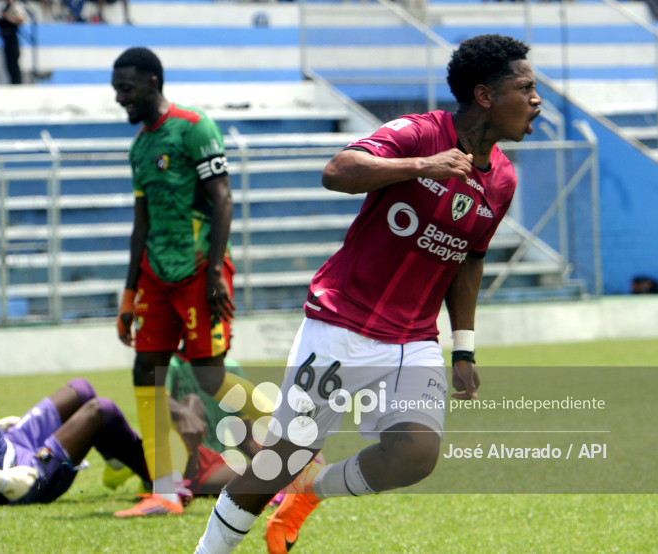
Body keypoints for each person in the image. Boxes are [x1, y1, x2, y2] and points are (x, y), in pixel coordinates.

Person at [194, 33, 542, 553]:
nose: (537, 100)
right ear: (486, 96)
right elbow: (337, 171)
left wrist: (464, 347)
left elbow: (468, 259)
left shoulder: (503, 181)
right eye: (526, 88)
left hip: (413, 339)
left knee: (415, 454)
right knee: (278, 461)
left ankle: (310, 490)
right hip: (341, 324)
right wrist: (421, 165)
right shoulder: (418, 133)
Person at [111, 47, 271, 517]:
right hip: (155, 278)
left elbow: (222, 200)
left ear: (154, 83)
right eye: (117, 90)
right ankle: (164, 488)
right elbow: (140, 225)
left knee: (210, 375)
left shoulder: (194, 127)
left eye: (128, 89)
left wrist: (218, 270)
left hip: (200, 270)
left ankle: (294, 443)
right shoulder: (140, 147)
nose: (121, 98)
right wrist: (128, 295)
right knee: (146, 370)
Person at [0, 308, 149, 508]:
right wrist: (2, 482)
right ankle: (159, 480)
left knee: (81, 390)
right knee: (101, 410)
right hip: (17, 477)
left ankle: (117, 463)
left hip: (11, 443)